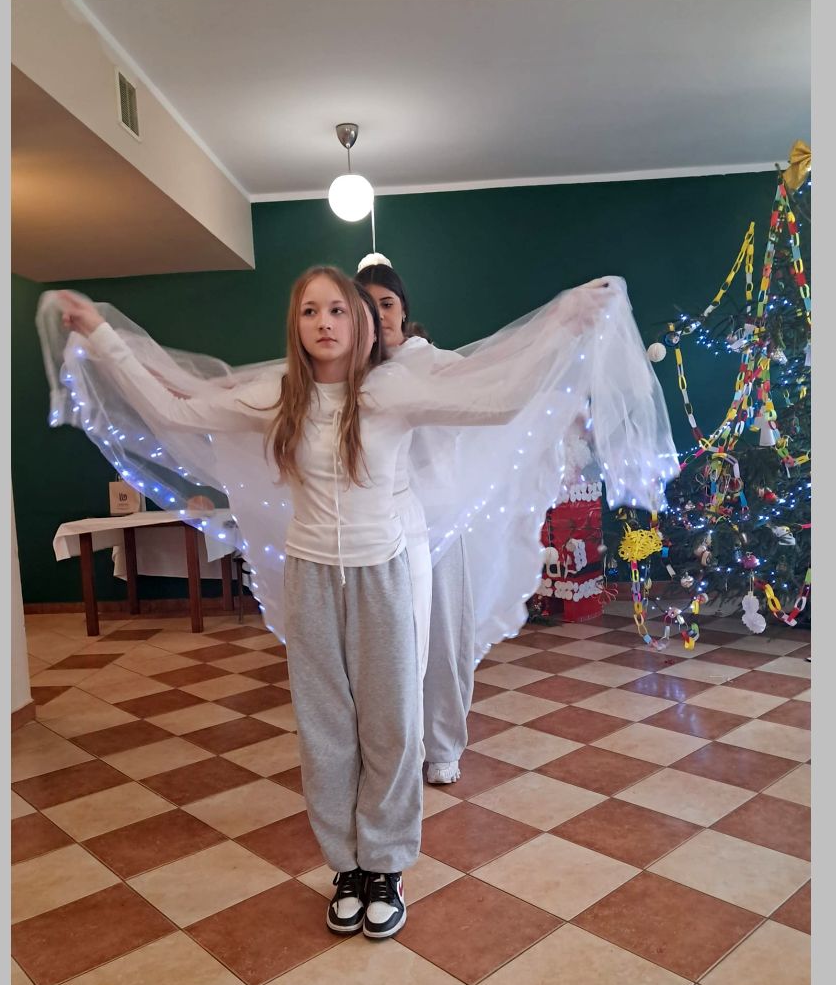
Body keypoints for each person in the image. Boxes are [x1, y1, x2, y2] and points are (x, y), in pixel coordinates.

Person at [41, 269, 679, 939]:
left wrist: (563, 325)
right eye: (310, 310)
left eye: (337, 310)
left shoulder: (389, 390)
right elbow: (176, 409)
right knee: (324, 727)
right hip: (312, 576)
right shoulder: (278, 397)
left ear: (361, 324)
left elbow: (497, 401)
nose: (324, 321)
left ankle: (386, 864)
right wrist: (101, 335)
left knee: (391, 724)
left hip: (385, 572)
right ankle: (345, 866)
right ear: (296, 325)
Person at [357, 258, 472, 786]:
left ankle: (444, 743)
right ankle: (395, 746)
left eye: (387, 304)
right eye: (367, 306)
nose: (379, 315)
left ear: (403, 310)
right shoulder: (351, 375)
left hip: (438, 521)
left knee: (443, 640)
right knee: (386, 648)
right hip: (376, 529)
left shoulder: (438, 364)